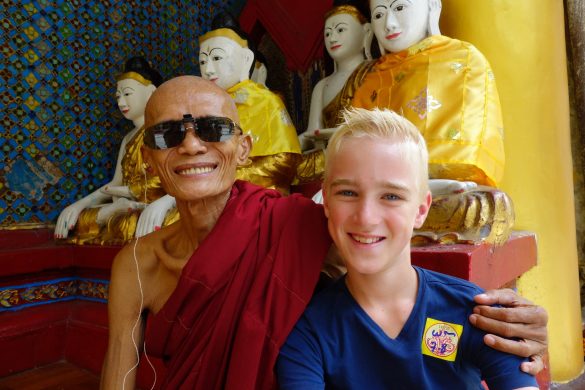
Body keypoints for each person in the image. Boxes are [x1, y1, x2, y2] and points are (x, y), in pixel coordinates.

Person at [100, 76, 547, 390]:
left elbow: (385, 251)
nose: (191, 145)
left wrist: (516, 322)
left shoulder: (300, 226)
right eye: (168, 134)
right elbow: (119, 377)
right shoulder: (139, 265)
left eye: (213, 129)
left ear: (244, 147)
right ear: (148, 155)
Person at [277, 108, 539, 389]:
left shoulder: (472, 311)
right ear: (326, 202)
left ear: (422, 209)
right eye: (348, 193)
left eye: (391, 196)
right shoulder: (310, 331)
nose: (366, 217)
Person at [54, 57, 178, 244]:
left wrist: (131, 192)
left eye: (127, 94)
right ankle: (116, 209)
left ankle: (118, 211)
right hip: (127, 205)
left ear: (152, 92)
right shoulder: (128, 138)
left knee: (141, 222)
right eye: (118, 96)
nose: (121, 102)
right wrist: (79, 205)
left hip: (151, 204)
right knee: (79, 221)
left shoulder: (164, 130)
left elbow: (176, 179)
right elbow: (115, 183)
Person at [198, 13, 302, 194]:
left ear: (246, 59)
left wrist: (226, 179)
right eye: (202, 61)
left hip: (256, 195)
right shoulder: (203, 108)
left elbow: (285, 161)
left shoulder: (265, 101)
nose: (208, 70)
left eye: (216, 58)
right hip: (212, 194)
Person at [297, 1, 374, 152]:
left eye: (340, 30)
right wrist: (288, 148)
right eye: (327, 33)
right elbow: (312, 133)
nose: (332, 38)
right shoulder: (322, 86)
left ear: (367, 31)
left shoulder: (374, 72)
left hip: (364, 150)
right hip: (328, 153)